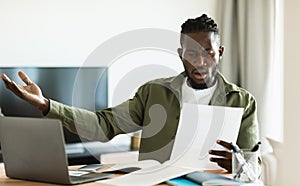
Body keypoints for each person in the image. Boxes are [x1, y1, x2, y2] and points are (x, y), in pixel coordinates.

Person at [0, 14, 259, 172]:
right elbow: (104, 125)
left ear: (220, 52)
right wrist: (46, 105)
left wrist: (239, 163)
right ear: (180, 54)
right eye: (191, 53)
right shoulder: (154, 92)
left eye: (208, 52)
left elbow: (252, 166)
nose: (200, 61)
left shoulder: (243, 102)